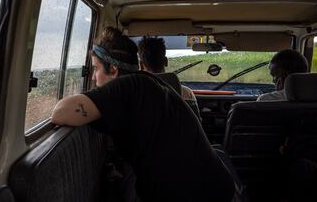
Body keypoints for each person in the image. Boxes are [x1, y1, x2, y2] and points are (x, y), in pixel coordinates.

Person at [51, 27, 235, 201]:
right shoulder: (145, 86)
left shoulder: (129, 86)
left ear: (113, 70)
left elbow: (61, 112)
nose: (92, 78)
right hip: (213, 189)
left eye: (96, 69)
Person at [137, 36, 200, 119]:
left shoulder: (134, 95)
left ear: (141, 65)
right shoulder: (186, 94)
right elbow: (195, 126)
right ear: (166, 61)